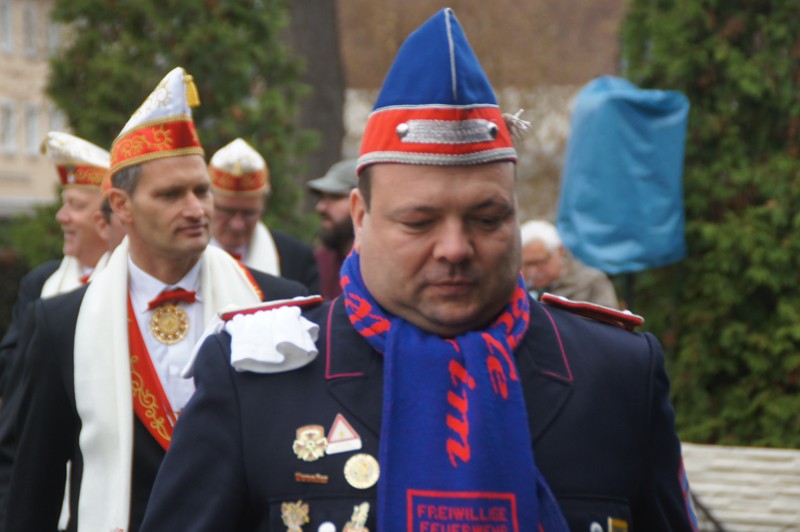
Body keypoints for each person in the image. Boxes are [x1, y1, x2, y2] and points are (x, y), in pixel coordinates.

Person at [141, 11, 699, 532]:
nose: (455, 248)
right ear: (360, 219)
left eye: (487, 218)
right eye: (419, 221)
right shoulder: (257, 379)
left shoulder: (617, 373)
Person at [0, 67, 307, 532]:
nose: (196, 209)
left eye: (201, 191)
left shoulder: (278, 305)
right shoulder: (61, 322)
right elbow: (33, 486)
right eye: (170, 195)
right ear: (121, 206)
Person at [0, 132, 111, 395]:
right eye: (64, 204)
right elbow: (9, 374)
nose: (62, 216)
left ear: (112, 214)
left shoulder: (132, 280)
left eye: (76, 205)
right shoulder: (41, 282)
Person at [209, 138, 319, 293]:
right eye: (227, 211)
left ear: (263, 206)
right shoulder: (183, 255)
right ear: (207, 203)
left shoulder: (296, 259)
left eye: (249, 213)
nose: (237, 225)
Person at [521, 219, 619, 308]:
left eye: (540, 262)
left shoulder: (591, 282)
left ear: (560, 252)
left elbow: (608, 319)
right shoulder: (520, 289)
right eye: (527, 264)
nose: (533, 272)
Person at [306, 158, 357, 299]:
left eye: (335, 196)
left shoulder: (381, 268)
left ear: (361, 202)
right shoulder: (318, 262)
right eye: (321, 197)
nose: (320, 207)